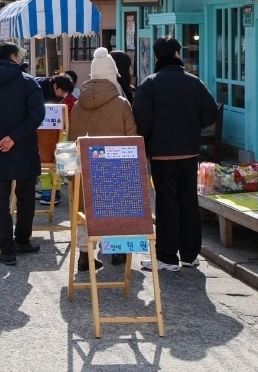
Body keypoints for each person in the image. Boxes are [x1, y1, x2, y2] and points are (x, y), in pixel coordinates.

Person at [133, 36, 219, 272]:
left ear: (157, 57)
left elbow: (142, 121)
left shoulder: (149, 84)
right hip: (190, 153)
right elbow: (210, 114)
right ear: (178, 55)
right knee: (189, 202)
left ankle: (167, 256)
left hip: (161, 155)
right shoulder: (194, 82)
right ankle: (190, 255)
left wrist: (146, 144)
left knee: (167, 203)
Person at [0, 42, 46, 265]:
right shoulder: (27, 82)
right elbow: (37, 115)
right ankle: (22, 241)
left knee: (0, 199)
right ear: (14, 57)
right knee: (25, 196)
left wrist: (0, 136)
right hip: (23, 145)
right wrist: (14, 136)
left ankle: (6, 250)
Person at [69, 48, 138, 271]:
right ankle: (115, 250)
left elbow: (72, 140)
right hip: (115, 167)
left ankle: (84, 253)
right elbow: (132, 140)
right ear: (113, 75)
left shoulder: (78, 105)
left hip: (85, 169)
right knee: (115, 207)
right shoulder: (121, 104)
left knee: (85, 209)